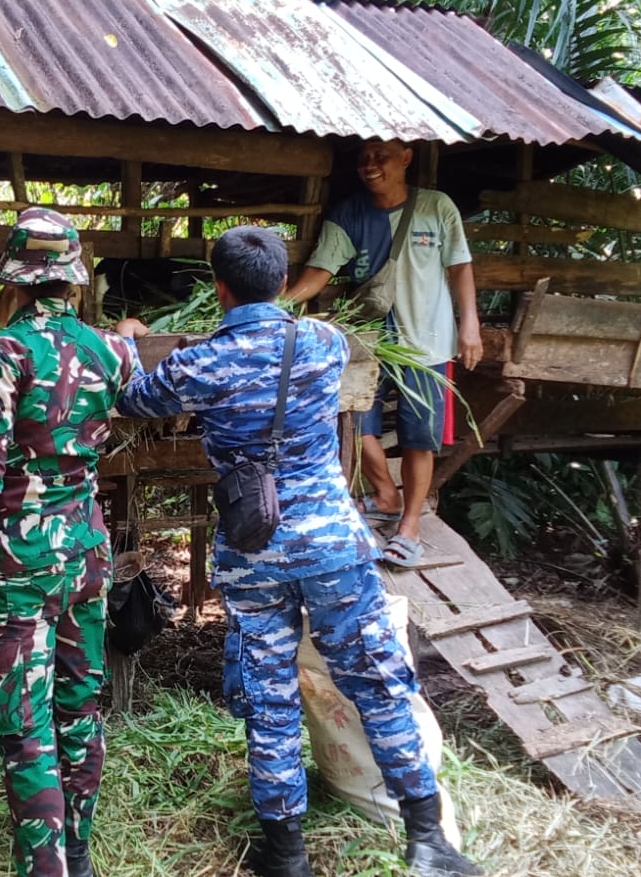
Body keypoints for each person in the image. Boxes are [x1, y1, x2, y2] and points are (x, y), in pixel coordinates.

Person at [116, 227, 480, 877]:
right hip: (333, 544)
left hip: (255, 545)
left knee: (271, 692)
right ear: (284, 284)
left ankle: (286, 856)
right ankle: (428, 842)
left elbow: (135, 399)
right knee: (376, 680)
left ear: (220, 288)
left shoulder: (201, 361)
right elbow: (346, 354)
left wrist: (125, 342)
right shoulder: (323, 341)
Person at [0, 207, 136, 877]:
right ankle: (79, 855)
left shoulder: (2, 353)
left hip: (20, 565)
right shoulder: (106, 351)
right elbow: (127, 348)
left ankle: (46, 870)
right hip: (89, 554)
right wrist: (125, 332)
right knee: (79, 709)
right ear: (73, 280)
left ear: (12, 282)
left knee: (24, 726)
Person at [284, 138, 483, 568]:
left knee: (419, 437)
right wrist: (276, 308)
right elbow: (320, 271)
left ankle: (410, 526)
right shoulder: (349, 213)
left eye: (382, 157)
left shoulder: (436, 207)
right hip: (368, 341)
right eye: (364, 159)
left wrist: (470, 324)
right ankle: (387, 496)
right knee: (355, 423)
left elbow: (460, 267)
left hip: (426, 341)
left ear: (406, 159)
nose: (371, 165)